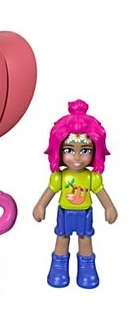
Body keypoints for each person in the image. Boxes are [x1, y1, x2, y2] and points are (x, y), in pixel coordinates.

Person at [32, 99, 117, 288]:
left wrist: (109, 207)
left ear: (95, 151)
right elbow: (49, 192)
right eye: (69, 150)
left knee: (85, 240)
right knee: (62, 239)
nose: (77, 158)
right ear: (58, 150)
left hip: (84, 213)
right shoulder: (59, 177)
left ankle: (87, 270)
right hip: (65, 213)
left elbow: (101, 194)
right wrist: (40, 205)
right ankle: (58, 269)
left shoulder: (91, 178)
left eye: (85, 150)